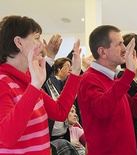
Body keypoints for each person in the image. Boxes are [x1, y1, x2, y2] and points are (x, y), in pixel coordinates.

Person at [0, 15, 82, 154]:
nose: (42, 45)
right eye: (36, 38)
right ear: (19, 42)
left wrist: (75, 72)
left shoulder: (26, 81)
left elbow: (60, 112)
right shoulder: (4, 82)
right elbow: (6, 137)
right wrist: (34, 86)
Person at [78, 25, 137, 155]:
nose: (124, 49)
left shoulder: (112, 79)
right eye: (119, 44)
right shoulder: (88, 79)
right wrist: (129, 74)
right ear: (102, 52)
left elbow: (135, 110)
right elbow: (103, 109)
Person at [43, 57, 73, 141]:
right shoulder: (38, 82)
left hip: (63, 132)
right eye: (67, 66)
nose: (69, 69)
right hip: (49, 135)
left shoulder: (53, 79)